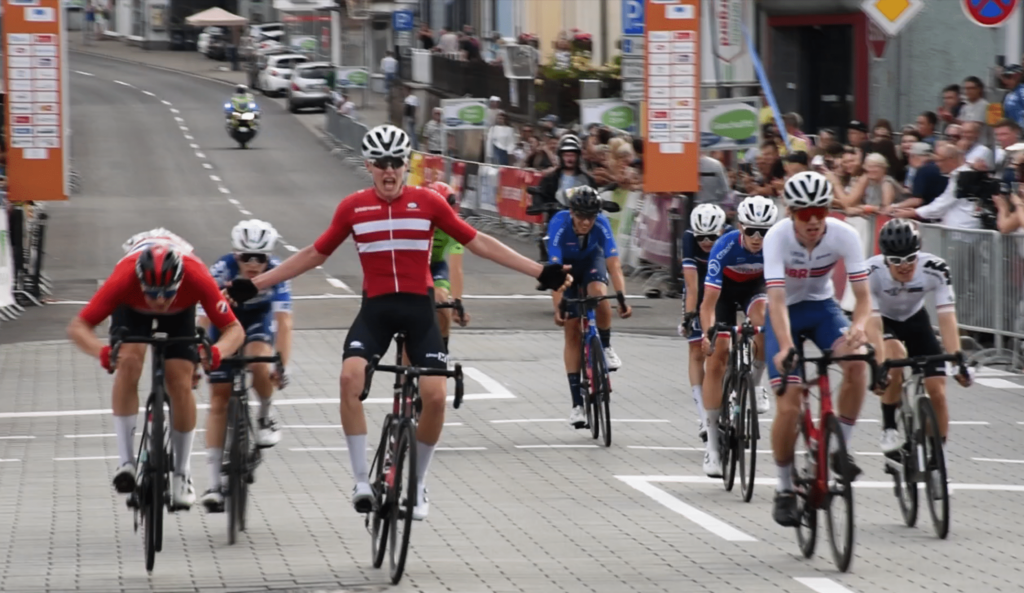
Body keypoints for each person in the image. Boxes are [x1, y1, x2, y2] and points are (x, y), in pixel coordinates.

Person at [224, 125, 572, 521]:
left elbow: (479, 242)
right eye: (381, 164)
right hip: (376, 310)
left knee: (436, 396)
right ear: (369, 165)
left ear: (407, 165)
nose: (389, 172)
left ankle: (418, 484)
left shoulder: (428, 202)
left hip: (418, 308)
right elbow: (313, 254)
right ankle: (359, 481)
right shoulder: (353, 207)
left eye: (396, 164)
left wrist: (539, 271)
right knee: (349, 378)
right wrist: (254, 286)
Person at [66, 230, 244, 510]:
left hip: (180, 315)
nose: (159, 300)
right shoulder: (123, 278)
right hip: (131, 310)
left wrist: (217, 352)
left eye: (166, 293)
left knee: (180, 380)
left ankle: (182, 474)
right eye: (152, 293)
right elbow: (78, 327)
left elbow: (234, 329)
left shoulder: (196, 275)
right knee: (129, 361)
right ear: (140, 280)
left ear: (179, 281)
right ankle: (126, 462)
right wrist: (102, 352)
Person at [762, 171, 873, 527]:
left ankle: (839, 449)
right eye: (804, 213)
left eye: (820, 212)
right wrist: (785, 347)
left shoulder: (844, 234)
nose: (813, 221)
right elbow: (776, 301)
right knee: (790, 401)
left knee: (857, 363)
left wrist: (857, 327)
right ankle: (782, 488)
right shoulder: (776, 237)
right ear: (790, 212)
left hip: (823, 308)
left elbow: (864, 298)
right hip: (785, 315)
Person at [197, 220, 293, 513]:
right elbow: (202, 318)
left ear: (269, 257)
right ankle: (214, 485)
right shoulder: (221, 269)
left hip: (258, 321)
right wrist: (200, 349)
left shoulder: (277, 274)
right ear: (235, 254)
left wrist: (280, 364)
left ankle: (265, 416)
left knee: (257, 358)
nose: (253, 265)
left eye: (260, 258)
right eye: (246, 257)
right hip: (224, 323)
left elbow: (284, 323)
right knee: (219, 399)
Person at [867, 219, 970, 460]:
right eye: (896, 261)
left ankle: (938, 460)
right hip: (883, 320)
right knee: (894, 356)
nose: (904, 266)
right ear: (885, 259)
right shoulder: (870, 272)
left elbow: (946, 317)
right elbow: (871, 322)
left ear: (919, 253)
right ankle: (890, 427)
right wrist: (879, 363)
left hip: (916, 320)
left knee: (938, 391)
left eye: (910, 258)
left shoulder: (935, 268)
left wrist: (957, 359)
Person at [698, 196, 777, 477]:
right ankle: (712, 448)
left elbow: (782, 294)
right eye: (751, 231)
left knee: (765, 321)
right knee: (718, 355)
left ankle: (755, 384)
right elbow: (707, 304)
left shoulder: (775, 248)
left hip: (754, 290)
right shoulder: (725, 247)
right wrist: (708, 333)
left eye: (764, 231)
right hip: (723, 295)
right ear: (740, 226)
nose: (757, 238)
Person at [548, 186, 632, 426]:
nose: (585, 222)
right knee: (571, 328)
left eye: (590, 217)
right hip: (565, 269)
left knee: (599, 294)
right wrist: (558, 307)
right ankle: (577, 404)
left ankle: (605, 346)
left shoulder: (602, 224)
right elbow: (555, 272)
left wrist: (622, 298)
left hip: (591, 262)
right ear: (571, 212)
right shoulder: (559, 224)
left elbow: (614, 265)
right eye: (581, 216)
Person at [681, 203, 728, 442]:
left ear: (721, 230)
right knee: (697, 350)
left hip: (726, 288)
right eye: (701, 236)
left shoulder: (730, 237)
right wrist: (689, 316)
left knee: (723, 347)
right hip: (701, 289)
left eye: (712, 236)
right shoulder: (689, 239)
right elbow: (692, 286)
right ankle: (703, 417)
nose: (706, 241)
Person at [426, 181, 469, 350]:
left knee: (441, 298)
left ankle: (442, 349)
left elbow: (456, 268)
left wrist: (457, 302)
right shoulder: (414, 219)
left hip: (435, 266)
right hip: (411, 268)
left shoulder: (453, 225)